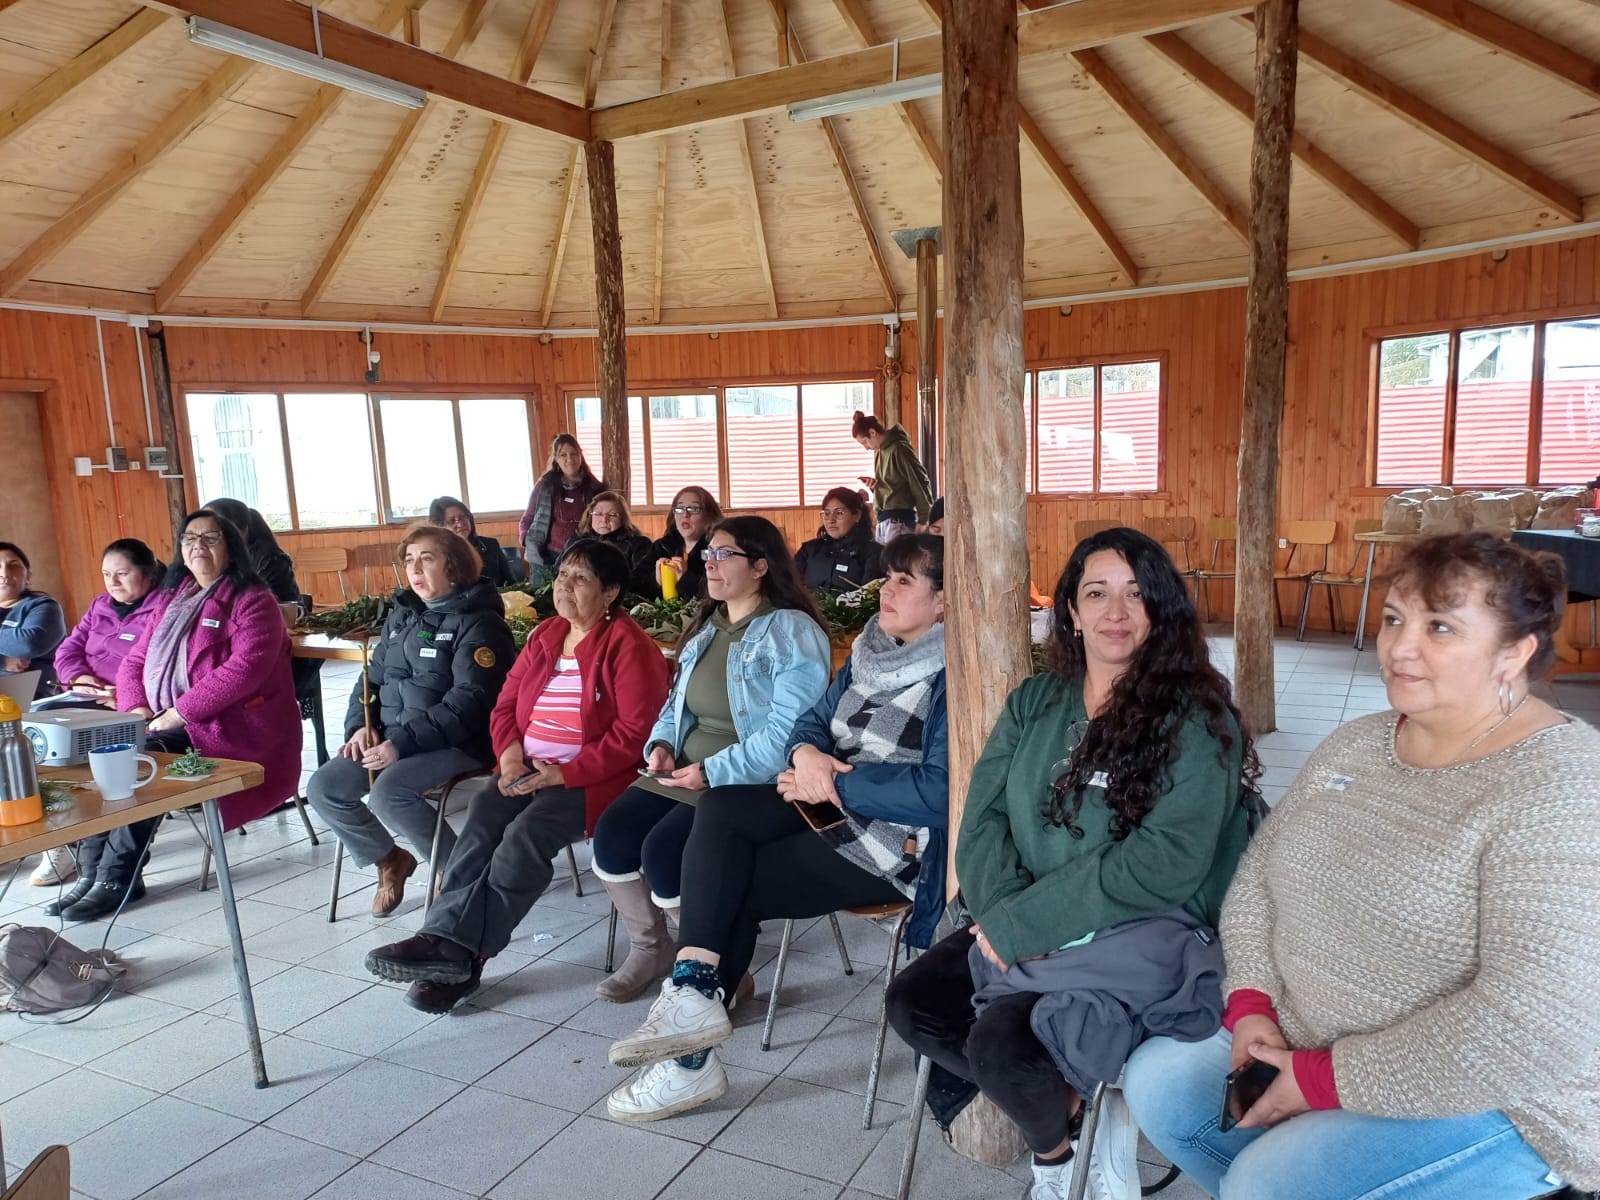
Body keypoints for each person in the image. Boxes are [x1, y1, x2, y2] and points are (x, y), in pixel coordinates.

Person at [1123, 532, 1600, 1200]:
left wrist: (1324, 1080)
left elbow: (1532, 1026)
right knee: (1160, 1087)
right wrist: (1253, 1003)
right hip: (1310, 1033)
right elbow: (1261, 875)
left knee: (1266, 1183)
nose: (1402, 647)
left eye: (1441, 627)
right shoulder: (1359, 742)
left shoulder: (1562, 787)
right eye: (1395, 619)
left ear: (1514, 653)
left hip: (1505, 1098)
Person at [885, 526, 1255, 1200]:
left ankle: (1053, 1167)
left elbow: (1165, 862)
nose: (1115, 612)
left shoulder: (1199, 721)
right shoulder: (1037, 702)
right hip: (1020, 913)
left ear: (1161, 611)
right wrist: (1001, 914)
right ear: (1072, 612)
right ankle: (1072, 1124)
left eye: (1136, 595)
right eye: (1097, 593)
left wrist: (1023, 927)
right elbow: (983, 819)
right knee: (914, 1004)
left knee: (1000, 1043)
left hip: (1138, 930)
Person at [605, 534, 948, 1121]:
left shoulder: (955, 677)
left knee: (731, 879)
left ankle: (689, 1056)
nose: (885, 590)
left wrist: (831, 783)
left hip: (895, 843)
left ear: (945, 603)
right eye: (887, 577)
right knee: (721, 810)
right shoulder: (870, 648)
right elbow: (810, 721)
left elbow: (940, 791)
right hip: (826, 802)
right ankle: (692, 998)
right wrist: (808, 758)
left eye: (904, 582)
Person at [363, 541, 671, 1012]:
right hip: (526, 767)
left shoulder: (630, 647)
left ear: (610, 593)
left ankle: (462, 954)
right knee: (482, 823)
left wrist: (563, 773)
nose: (565, 586)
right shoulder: (547, 634)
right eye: (563, 574)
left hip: (594, 779)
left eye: (581, 579)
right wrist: (509, 756)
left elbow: (634, 736)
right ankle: (444, 945)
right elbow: (504, 705)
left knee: (525, 835)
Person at [590, 516, 831, 1003]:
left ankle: (719, 960)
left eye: (724, 554)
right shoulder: (707, 626)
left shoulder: (790, 631)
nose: (710, 563)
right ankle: (653, 948)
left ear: (760, 566)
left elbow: (789, 733)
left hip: (748, 778)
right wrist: (659, 745)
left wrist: (711, 772)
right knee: (612, 836)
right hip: (683, 768)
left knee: (663, 853)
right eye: (708, 555)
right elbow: (674, 706)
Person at [52, 510, 303, 921]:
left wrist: (178, 713)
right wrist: (136, 709)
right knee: (101, 753)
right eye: (189, 539)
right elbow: (136, 660)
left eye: (210, 538)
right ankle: (91, 871)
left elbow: (243, 672)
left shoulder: (254, 601)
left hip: (233, 728)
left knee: (139, 760)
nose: (198, 547)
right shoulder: (174, 598)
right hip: (166, 719)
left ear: (231, 546)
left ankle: (119, 877)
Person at [305, 525, 514, 917]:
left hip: (458, 742)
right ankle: (389, 859)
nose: (415, 568)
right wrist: (360, 725)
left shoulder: (480, 623)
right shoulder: (402, 616)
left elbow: (469, 702)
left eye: (427, 558)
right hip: (390, 738)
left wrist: (400, 744)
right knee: (324, 788)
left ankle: (460, 872)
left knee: (388, 794)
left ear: (453, 568)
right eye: (409, 560)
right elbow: (371, 679)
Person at [29, 539, 164, 889]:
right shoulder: (101, 604)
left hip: (130, 706)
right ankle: (65, 847)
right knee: (37, 743)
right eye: (107, 574)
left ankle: (96, 867)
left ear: (147, 573)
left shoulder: (162, 608)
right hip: (82, 697)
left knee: (84, 758)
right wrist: (80, 677)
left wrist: (122, 696)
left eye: (123, 573)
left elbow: (158, 668)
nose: (113, 583)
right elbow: (68, 649)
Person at [203, 497, 320, 697]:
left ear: (240, 530)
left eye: (214, 530)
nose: (206, 538)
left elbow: (258, 610)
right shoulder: (215, 558)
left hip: (275, 646)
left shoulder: (268, 558)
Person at [519, 434, 603, 583]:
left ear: (580, 456)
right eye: (563, 455)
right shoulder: (545, 485)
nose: (569, 459)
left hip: (579, 557)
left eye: (573, 454)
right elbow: (528, 517)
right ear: (556, 460)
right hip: (544, 557)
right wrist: (527, 540)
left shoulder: (594, 487)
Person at [852, 412, 932, 542]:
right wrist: (876, 487)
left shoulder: (899, 448)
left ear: (872, 432)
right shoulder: (881, 451)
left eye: (865, 442)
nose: (866, 448)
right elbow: (893, 486)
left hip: (899, 521)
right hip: (884, 520)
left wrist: (924, 520)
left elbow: (919, 482)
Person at [0, 542, 67, 697]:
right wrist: (3, 661)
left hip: (28, 701)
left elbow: (29, 644)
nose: (5, 573)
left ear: (28, 574)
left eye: (13, 565)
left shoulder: (43, 606)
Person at [793, 487, 881, 593]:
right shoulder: (809, 549)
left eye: (839, 513)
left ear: (857, 515)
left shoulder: (873, 553)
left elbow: (869, 597)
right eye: (827, 513)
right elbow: (789, 585)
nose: (831, 520)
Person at [646, 486, 723, 602]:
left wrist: (685, 579)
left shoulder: (718, 551)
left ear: (709, 516)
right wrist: (655, 581)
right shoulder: (662, 546)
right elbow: (633, 585)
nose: (685, 514)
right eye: (680, 509)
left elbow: (721, 594)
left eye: (694, 509)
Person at [578, 491, 655, 598]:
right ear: (590, 516)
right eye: (598, 514)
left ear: (623, 518)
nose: (604, 519)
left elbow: (643, 583)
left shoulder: (639, 544)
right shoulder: (578, 541)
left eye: (612, 514)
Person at [429, 495, 512, 588]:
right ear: (439, 527)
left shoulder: (490, 545)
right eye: (452, 521)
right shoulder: (436, 556)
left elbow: (511, 583)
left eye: (463, 517)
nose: (460, 524)